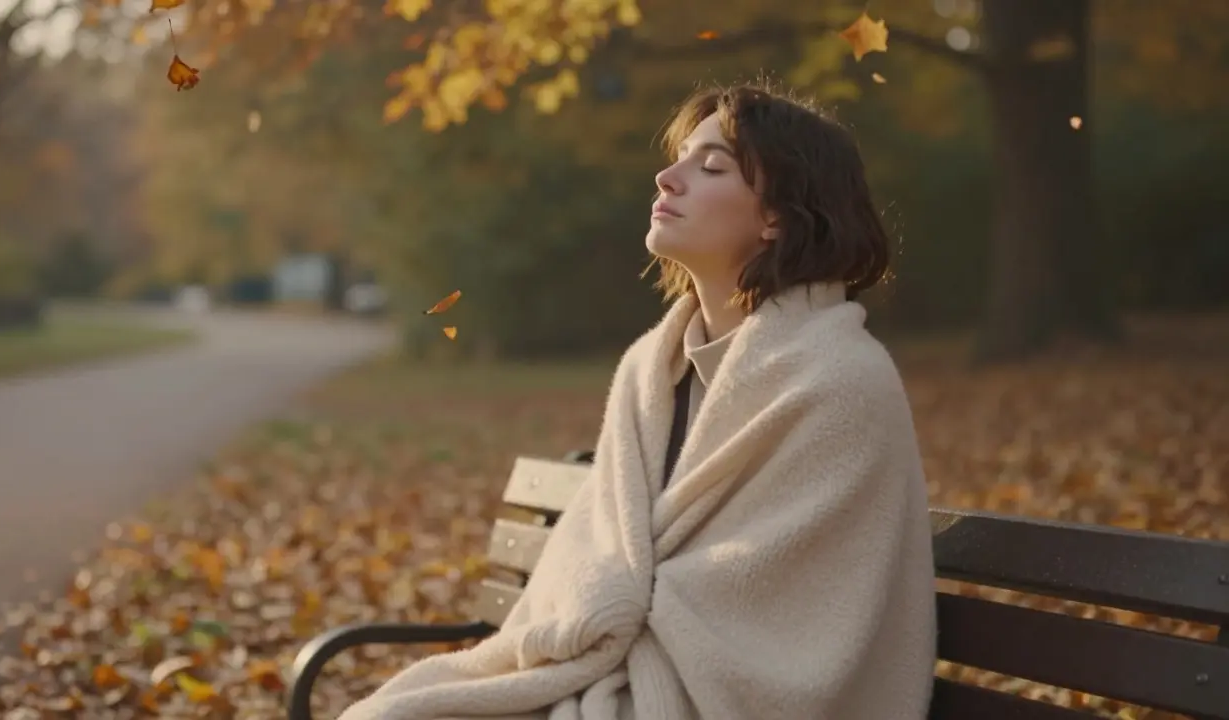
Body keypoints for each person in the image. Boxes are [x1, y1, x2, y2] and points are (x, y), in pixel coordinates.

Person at [339, 82, 937, 720]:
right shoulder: (652, 368)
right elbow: (599, 556)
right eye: (679, 157)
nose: (667, 177)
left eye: (709, 167)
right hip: (609, 674)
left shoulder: (841, 381)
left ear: (778, 217)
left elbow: (778, 616)